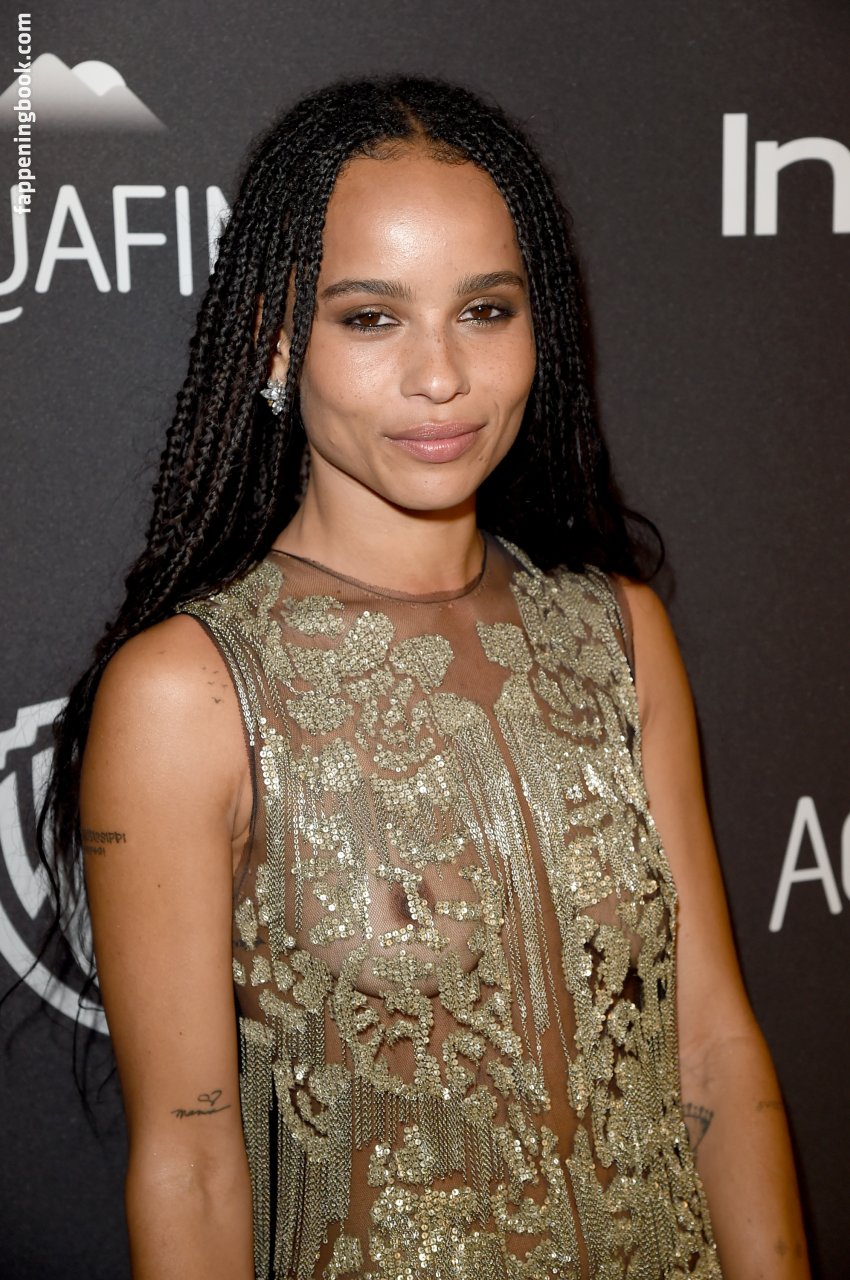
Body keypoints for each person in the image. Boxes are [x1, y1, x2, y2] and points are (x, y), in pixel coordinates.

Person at [44, 75, 809, 1279]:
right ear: (277, 338)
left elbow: (709, 1041)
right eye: (371, 318)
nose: (441, 375)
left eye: (485, 310)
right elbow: (191, 1169)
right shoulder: (188, 692)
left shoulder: (618, 630)